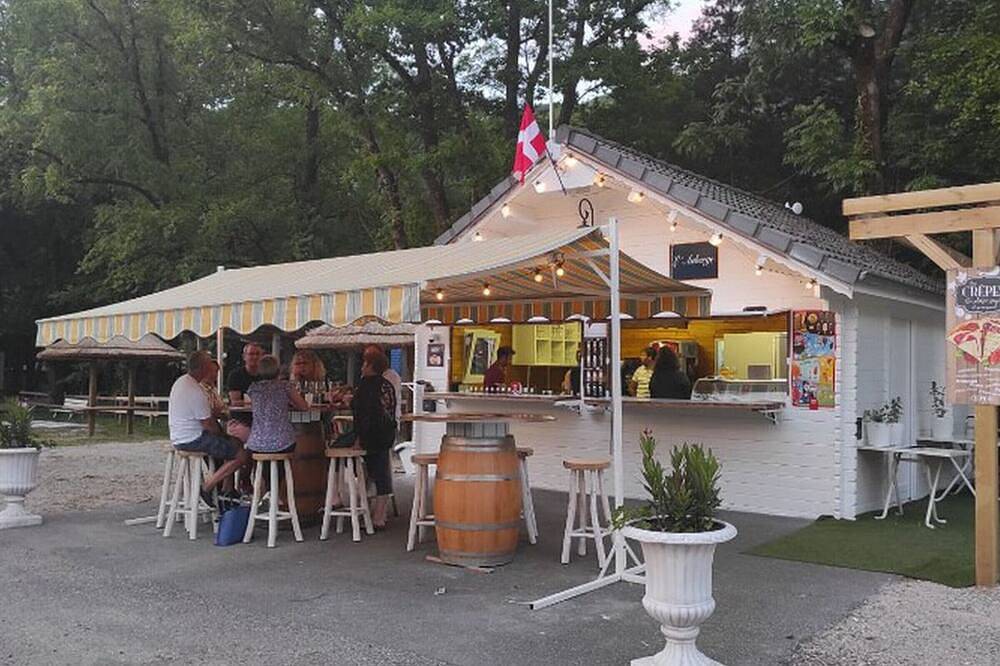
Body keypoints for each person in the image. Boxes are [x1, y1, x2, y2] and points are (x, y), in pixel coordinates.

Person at [168, 351, 249, 499]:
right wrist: (225, 437)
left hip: (179, 437)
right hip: (194, 439)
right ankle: (207, 487)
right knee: (241, 454)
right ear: (204, 368)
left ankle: (225, 491)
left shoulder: (181, 382)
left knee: (232, 443)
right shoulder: (196, 391)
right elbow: (209, 425)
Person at [351, 346, 397, 528]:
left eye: (364, 363)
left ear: (370, 366)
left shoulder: (365, 385)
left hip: (370, 436)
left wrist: (358, 439)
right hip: (386, 434)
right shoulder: (387, 384)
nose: (362, 367)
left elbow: (363, 415)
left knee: (371, 471)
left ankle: (336, 498)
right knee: (381, 473)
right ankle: (379, 515)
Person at [245, 355, 309, 454]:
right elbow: (304, 407)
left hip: (255, 443)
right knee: (297, 435)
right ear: (278, 370)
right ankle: (284, 469)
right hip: (283, 443)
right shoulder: (285, 386)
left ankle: (266, 469)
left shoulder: (253, 388)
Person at [226, 342, 264, 443]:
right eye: (251, 354)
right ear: (244, 357)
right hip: (240, 421)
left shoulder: (266, 376)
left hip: (263, 421)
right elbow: (235, 402)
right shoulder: (235, 376)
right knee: (248, 436)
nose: (255, 357)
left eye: (257, 354)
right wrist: (259, 401)